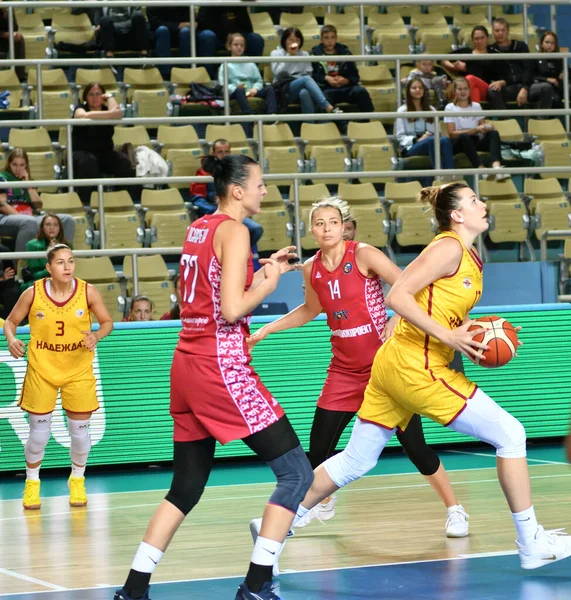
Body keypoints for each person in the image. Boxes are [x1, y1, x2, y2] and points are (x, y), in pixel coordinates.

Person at [288, 182, 571, 572]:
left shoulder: (467, 254)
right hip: (415, 366)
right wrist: (449, 336)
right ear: (457, 215)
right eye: (474, 201)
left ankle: (278, 524)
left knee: (356, 459)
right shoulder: (448, 247)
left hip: (394, 364)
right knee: (512, 434)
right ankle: (531, 540)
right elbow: (397, 295)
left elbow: (437, 308)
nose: (482, 204)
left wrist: (479, 329)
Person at [114, 154, 313, 600]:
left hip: (185, 361)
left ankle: (132, 590)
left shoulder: (200, 227)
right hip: (219, 365)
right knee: (297, 475)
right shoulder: (236, 230)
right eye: (260, 183)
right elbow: (232, 308)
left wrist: (262, 265)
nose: (265, 190)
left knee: (184, 488)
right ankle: (257, 587)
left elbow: (214, 279)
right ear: (238, 190)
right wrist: (272, 280)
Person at [248, 197, 470, 541]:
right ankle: (312, 506)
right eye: (319, 223)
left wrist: (398, 316)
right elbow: (309, 309)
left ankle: (455, 508)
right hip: (343, 370)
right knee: (318, 448)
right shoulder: (311, 268)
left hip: (385, 366)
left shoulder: (363, 253)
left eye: (332, 222)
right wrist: (267, 329)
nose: (326, 228)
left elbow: (408, 284)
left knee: (416, 448)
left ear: (343, 226)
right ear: (311, 230)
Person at [3, 244, 113, 510]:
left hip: (78, 370)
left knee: (79, 435)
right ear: (49, 268)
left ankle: (77, 479)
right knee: (39, 435)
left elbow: (108, 322)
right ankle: (32, 484)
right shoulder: (33, 293)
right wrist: (11, 339)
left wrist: (96, 335)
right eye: (61, 263)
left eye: (71, 262)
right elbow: (10, 321)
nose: (67, 267)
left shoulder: (88, 291)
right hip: (42, 370)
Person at [190, 139, 264, 252]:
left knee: (254, 229)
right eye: (220, 152)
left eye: (226, 151)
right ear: (213, 153)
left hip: (229, 212)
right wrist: (216, 210)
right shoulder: (203, 174)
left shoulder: (236, 173)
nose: (223, 155)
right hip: (213, 212)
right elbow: (197, 199)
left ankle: (248, 255)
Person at [72, 82, 138, 206]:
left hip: (104, 153)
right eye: (91, 94)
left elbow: (118, 113)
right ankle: (86, 201)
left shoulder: (107, 109)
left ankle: (123, 200)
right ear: (86, 97)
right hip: (81, 153)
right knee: (88, 162)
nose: (94, 97)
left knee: (123, 162)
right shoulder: (80, 108)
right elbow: (81, 116)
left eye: (98, 94)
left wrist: (110, 97)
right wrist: (109, 115)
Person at [0, 149, 75, 248]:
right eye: (15, 165)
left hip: (31, 216)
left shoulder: (28, 180)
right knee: (29, 223)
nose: (18, 169)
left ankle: (62, 256)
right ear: (9, 164)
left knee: (67, 220)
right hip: (7, 217)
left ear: (26, 166)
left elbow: (38, 206)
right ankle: (22, 262)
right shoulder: (2, 178)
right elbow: (2, 205)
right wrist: (22, 217)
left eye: (22, 165)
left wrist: (28, 184)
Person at [444, 77, 509, 180]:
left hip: (475, 139)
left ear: (469, 90)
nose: (463, 92)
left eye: (465, 89)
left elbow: (482, 128)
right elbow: (452, 134)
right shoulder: (449, 107)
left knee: (494, 133)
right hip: (459, 142)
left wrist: (487, 128)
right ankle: (481, 169)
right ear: (455, 91)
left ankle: (497, 168)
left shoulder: (476, 106)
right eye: (460, 89)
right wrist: (475, 130)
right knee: (464, 137)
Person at [270, 27, 343, 116]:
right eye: (290, 40)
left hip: (300, 85)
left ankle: (310, 124)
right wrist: (289, 56)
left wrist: (299, 77)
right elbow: (277, 74)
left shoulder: (304, 54)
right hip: (283, 87)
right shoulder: (276, 53)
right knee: (306, 79)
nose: (294, 43)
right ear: (284, 40)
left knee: (305, 93)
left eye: (297, 40)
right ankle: (327, 106)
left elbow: (309, 72)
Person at [219, 32, 277, 136]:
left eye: (242, 45)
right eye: (236, 45)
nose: (239, 47)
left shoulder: (250, 63)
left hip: (251, 91)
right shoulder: (225, 64)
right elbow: (223, 85)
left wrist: (255, 89)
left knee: (269, 88)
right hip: (236, 93)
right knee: (240, 90)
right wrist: (235, 87)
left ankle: (271, 117)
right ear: (229, 46)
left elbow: (258, 80)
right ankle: (249, 116)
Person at [311, 25, 374, 115]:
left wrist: (346, 80)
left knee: (361, 92)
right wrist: (326, 78)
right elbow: (313, 76)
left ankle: (365, 122)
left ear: (336, 39)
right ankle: (342, 126)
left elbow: (355, 76)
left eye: (332, 37)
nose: (329, 41)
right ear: (321, 39)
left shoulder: (345, 53)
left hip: (347, 88)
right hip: (327, 89)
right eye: (326, 38)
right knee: (323, 98)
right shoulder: (315, 54)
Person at [395, 78, 454, 171]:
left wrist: (429, 136)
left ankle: (450, 172)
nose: (418, 90)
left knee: (445, 139)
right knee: (432, 140)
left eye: (420, 88)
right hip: (412, 146)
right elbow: (400, 137)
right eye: (414, 88)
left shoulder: (431, 109)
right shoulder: (402, 111)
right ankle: (439, 172)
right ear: (408, 91)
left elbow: (437, 132)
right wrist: (417, 140)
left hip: (431, 141)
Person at [197, 6, 264, 79]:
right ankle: (208, 78)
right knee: (207, 36)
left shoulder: (238, 4)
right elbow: (203, 25)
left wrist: (234, 34)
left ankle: (250, 76)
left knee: (256, 39)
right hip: (215, 37)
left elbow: (248, 27)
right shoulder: (208, 5)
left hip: (234, 35)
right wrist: (225, 34)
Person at [487, 18, 533, 111]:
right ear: (493, 32)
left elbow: (529, 68)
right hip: (507, 87)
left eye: (503, 30)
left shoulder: (521, 46)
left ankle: (543, 122)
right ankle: (507, 122)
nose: (500, 33)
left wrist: (525, 88)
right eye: (497, 30)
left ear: (508, 31)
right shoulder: (490, 50)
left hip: (525, 85)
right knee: (492, 91)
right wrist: (502, 82)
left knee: (545, 88)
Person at [442, 26, 495, 104]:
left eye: (482, 38)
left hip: (485, 89)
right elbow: (443, 59)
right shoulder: (466, 52)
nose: (479, 41)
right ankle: (476, 116)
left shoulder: (493, 53)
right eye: (476, 38)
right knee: (474, 90)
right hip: (469, 91)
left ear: (487, 38)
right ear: (473, 40)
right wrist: (454, 67)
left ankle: (457, 102)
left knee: (470, 79)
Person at [21, 214, 71, 291]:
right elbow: (35, 274)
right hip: (40, 281)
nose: (52, 228)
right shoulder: (32, 245)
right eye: (48, 225)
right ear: (42, 228)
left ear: (59, 228)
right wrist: (51, 269)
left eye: (55, 225)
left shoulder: (67, 245)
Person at [146, 6, 191, 79]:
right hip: (160, 35)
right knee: (163, 30)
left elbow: (188, 20)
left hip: (178, 34)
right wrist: (177, 25)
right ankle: (165, 74)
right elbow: (154, 24)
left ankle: (185, 70)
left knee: (185, 31)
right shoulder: (154, 4)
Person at [529, 31, 563, 112]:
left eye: (552, 43)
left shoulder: (558, 59)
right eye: (547, 42)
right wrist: (546, 79)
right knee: (554, 99)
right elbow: (531, 76)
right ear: (541, 44)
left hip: (557, 89)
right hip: (541, 89)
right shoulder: (535, 58)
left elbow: (567, 70)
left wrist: (564, 72)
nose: (549, 45)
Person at [0, 245, 18, 320]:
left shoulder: (4, 250)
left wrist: (2, 278)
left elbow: (10, 276)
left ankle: (10, 323)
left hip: (3, 286)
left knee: (11, 293)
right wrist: (2, 277)